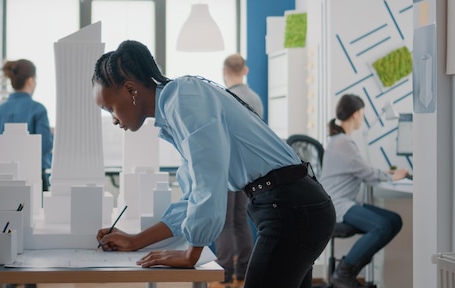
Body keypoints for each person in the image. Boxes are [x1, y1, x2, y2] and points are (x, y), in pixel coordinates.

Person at [92, 40, 336, 288]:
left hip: (292, 209)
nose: (113, 119)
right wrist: (136, 241)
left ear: (131, 90)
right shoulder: (177, 106)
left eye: (109, 108)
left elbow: (209, 180)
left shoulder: (184, 99)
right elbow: (192, 198)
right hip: (293, 206)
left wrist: (192, 254)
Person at [320, 94, 409, 288]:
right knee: (382, 226)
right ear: (355, 114)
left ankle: (347, 272)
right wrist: (393, 176)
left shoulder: (340, 140)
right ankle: (344, 272)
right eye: (362, 114)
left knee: (394, 221)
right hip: (338, 205)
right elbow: (366, 173)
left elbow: (360, 169)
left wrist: (384, 173)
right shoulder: (343, 142)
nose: (362, 118)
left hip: (343, 202)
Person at [210, 54, 263, 287]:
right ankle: (242, 272)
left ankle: (224, 274)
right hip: (247, 169)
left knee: (225, 222)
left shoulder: (222, 97)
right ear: (246, 71)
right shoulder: (255, 99)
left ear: (224, 71)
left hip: (225, 167)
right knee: (241, 220)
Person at [0, 59, 54, 191]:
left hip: (1, 181)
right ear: (30, 80)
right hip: (33, 180)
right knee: (34, 211)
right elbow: (44, 145)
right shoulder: (38, 109)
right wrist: (51, 134)